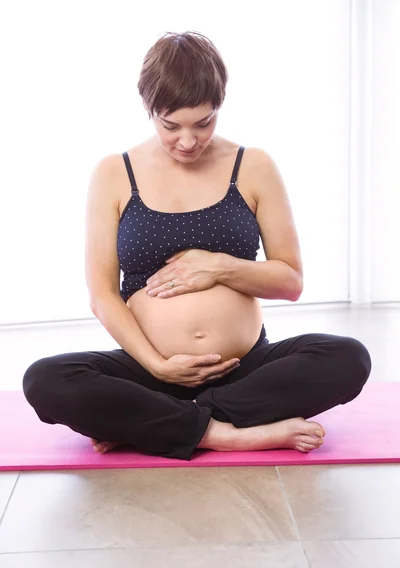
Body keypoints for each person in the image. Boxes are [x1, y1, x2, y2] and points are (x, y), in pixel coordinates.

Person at [22, 31, 372, 461]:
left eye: (203, 123)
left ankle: (152, 424)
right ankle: (227, 433)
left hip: (244, 368)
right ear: (149, 108)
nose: (187, 141)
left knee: (348, 357)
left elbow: (290, 281)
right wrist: (156, 364)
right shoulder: (114, 173)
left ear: (219, 105)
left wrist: (220, 267)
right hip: (149, 369)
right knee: (45, 380)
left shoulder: (253, 166)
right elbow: (102, 295)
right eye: (171, 126)